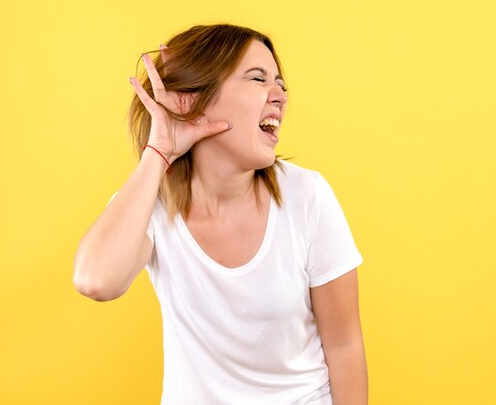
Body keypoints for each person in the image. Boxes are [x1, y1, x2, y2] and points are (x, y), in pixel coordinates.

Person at [73, 23, 368, 405]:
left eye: (281, 83)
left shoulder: (307, 196)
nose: (280, 96)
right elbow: (96, 281)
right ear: (197, 99)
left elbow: (344, 344)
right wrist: (159, 152)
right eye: (258, 78)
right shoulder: (149, 202)